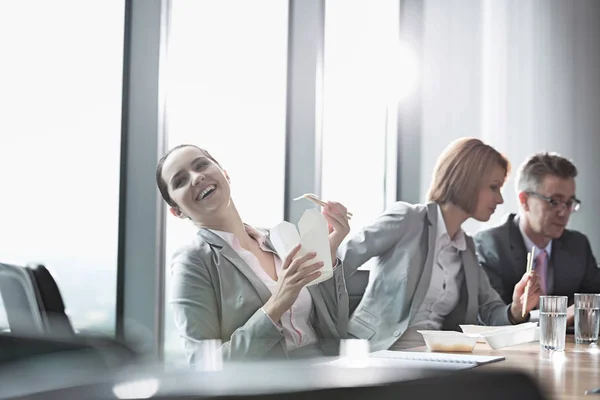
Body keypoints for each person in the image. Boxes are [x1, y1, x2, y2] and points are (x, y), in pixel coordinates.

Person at [339, 138, 541, 351]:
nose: (499, 200)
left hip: (432, 357)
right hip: (375, 350)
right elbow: (341, 261)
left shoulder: (467, 248)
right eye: (494, 187)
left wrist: (516, 309)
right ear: (467, 180)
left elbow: (490, 310)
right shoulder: (407, 218)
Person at [156, 144, 350, 364]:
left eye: (201, 165)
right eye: (180, 181)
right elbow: (204, 364)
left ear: (225, 175)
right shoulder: (192, 261)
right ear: (177, 211)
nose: (197, 177)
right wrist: (276, 304)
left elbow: (335, 327)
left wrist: (329, 254)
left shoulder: (278, 238)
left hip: (328, 373)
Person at [474, 152, 600, 325]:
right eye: (554, 201)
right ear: (524, 200)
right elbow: (486, 318)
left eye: (569, 203)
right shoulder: (490, 245)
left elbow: (595, 300)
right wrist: (558, 315)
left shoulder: (577, 245)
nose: (563, 212)